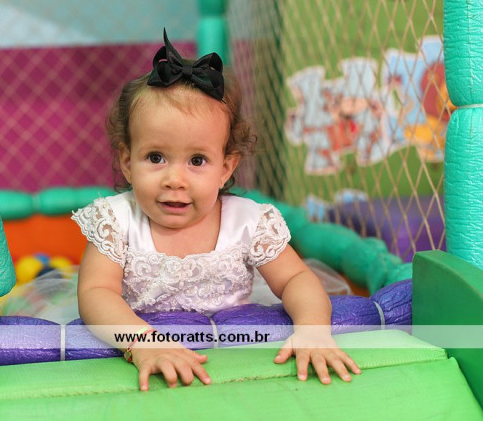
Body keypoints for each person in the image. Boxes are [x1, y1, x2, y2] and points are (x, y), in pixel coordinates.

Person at [72, 30, 361, 392]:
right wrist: (143, 343)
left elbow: (296, 279)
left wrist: (312, 330)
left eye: (197, 160)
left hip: (234, 357)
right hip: (140, 347)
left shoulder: (247, 222)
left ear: (225, 168)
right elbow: (96, 292)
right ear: (128, 162)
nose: (174, 180)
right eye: (156, 157)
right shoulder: (117, 221)